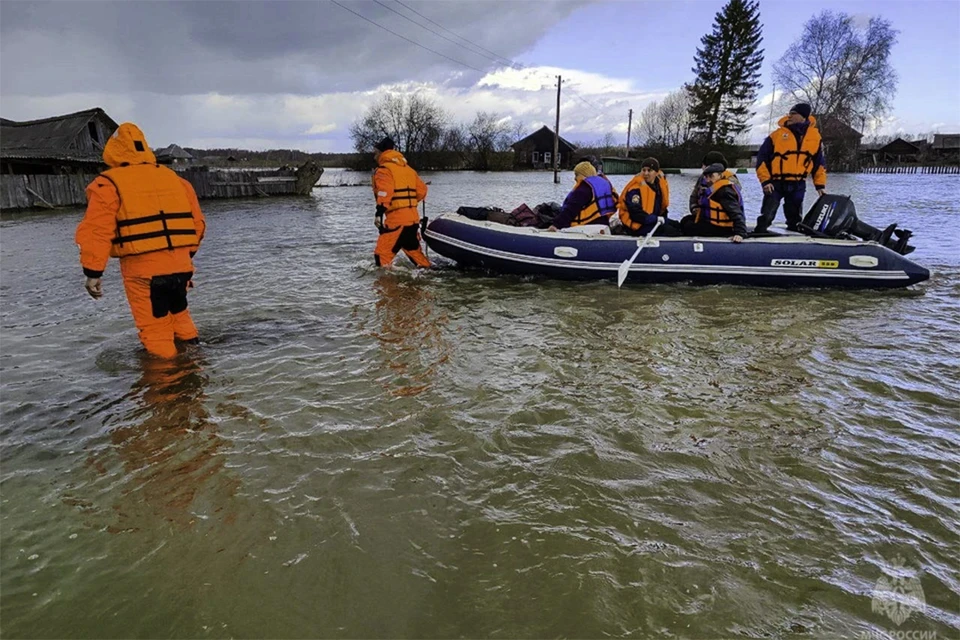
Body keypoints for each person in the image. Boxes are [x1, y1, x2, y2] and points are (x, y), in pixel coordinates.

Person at [76, 122, 206, 359]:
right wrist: (185, 255)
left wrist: (93, 272)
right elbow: (197, 224)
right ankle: (195, 362)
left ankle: (166, 384)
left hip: (143, 271)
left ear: (113, 151)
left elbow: (96, 230)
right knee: (180, 314)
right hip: (181, 266)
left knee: (155, 329)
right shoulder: (176, 180)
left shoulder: (107, 184)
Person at [754, 103, 827, 233]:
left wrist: (820, 186)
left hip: (798, 183)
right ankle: (759, 233)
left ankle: (795, 242)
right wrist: (765, 181)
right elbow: (761, 160)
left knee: (795, 218)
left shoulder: (815, 137)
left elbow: (819, 164)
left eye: (793, 114)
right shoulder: (776, 135)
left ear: (803, 116)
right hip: (775, 182)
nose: (790, 116)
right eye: (790, 113)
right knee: (767, 213)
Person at [371, 136, 430, 268]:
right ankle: (429, 279)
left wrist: (379, 214)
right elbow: (422, 191)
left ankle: (385, 287)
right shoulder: (409, 170)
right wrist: (408, 204)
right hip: (413, 220)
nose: (374, 157)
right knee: (417, 256)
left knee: (381, 256)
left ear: (381, 153)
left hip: (396, 222)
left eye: (375, 153)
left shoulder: (384, 170)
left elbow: (384, 193)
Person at [681, 163, 746, 242]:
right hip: (712, 223)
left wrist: (740, 233)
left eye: (711, 176)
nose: (708, 180)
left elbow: (736, 213)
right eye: (706, 177)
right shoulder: (713, 188)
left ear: (720, 175)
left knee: (689, 227)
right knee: (685, 220)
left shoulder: (725, 191)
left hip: (723, 229)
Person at [617, 157, 682, 236]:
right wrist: (656, 219)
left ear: (656, 172)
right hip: (637, 225)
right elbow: (636, 214)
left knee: (678, 225)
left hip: (652, 221)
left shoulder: (658, 187)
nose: (646, 173)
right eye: (643, 170)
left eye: (649, 170)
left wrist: (663, 219)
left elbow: (661, 208)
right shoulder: (635, 190)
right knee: (670, 231)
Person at [547, 161, 618, 231]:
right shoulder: (604, 185)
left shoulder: (583, 189)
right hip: (603, 225)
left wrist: (556, 225)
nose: (574, 178)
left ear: (583, 175)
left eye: (576, 175)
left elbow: (570, 210)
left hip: (585, 227)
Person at [688, 150, 742, 221]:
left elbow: (734, 211)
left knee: (689, 226)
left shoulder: (729, 183)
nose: (702, 167)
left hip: (721, 221)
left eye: (705, 165)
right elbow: (694, 196)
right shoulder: (702, 178)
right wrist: (694, 208)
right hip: (705, 215)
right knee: (686, 221)